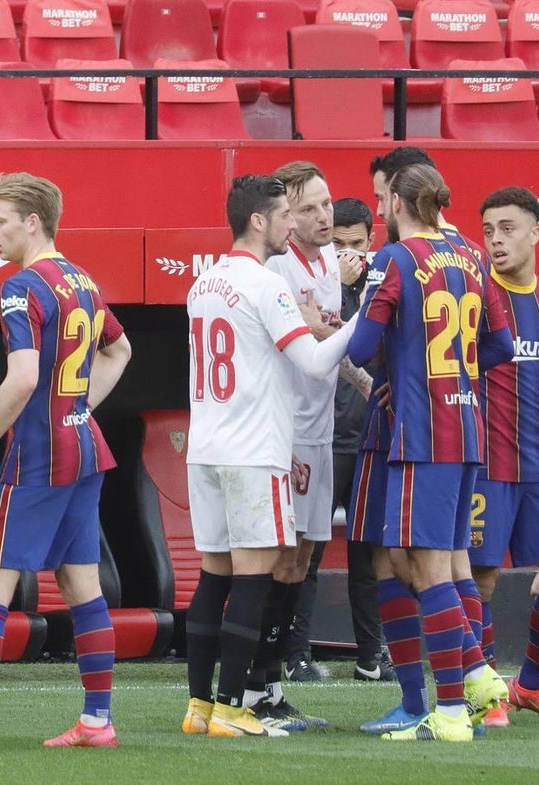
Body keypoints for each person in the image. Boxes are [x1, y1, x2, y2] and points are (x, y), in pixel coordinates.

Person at [0, 172, 133, 751]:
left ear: (32, 222)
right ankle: (97, 721)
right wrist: (77, 406)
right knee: (82, 586)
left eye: (0, 220)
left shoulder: (22, 287)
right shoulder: (83, 280)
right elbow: (121, 349)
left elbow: (22, 377)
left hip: (39, 457)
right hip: (85, 447)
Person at [179, 175, 354, 739]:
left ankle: (199, 707)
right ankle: (235, 708)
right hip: (254, 450)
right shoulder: (266, 285)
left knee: (213, 577)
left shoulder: (202, 283)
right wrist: (363, 314)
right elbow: (315, 363)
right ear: (259, 221)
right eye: (283, 214)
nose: (291, 224)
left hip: (205, 447)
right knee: (253, 580)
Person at [349, 163, 512, 742]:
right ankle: (469, 681)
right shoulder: (470, 252)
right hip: (467, 426)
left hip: (420, 430)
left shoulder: (397, 259)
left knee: (426, 565)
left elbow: (365, 344)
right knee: (431, 560)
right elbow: (501, 344)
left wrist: (405, 371)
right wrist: (454, 374)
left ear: (396, 202)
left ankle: (460, 694)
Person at [245, 163, 360, 734]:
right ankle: (256, 682)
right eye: (309, 207)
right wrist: (333, 331)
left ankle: (273, 683)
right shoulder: (279, 268)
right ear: (286, 216)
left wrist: (360, 379)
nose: (323, 216)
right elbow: (291, 338)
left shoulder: (327, 266)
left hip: (320, 429)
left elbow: (328, 339)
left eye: (327, 203)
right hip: (284, 429)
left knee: (304, 558)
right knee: (279, 557)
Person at [471, 186, 539, 724]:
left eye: (508, 229)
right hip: (488, 465)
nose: (497, 240)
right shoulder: (476, 299)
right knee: (481, 579)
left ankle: (532, 685)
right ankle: (487, 687)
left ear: (536, 232)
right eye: (489, 230)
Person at [329, 197, 396, 684]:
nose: (347, 253)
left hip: (366, 437)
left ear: (371, 242)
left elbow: (368, 348)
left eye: (355, 243)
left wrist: (359, 289)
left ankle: (371, 655)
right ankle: (293, 656)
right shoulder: (315, 284)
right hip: (320, 438)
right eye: (337, 244)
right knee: (304, 553)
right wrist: (343, 288)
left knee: (366, 551)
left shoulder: (381, 285)